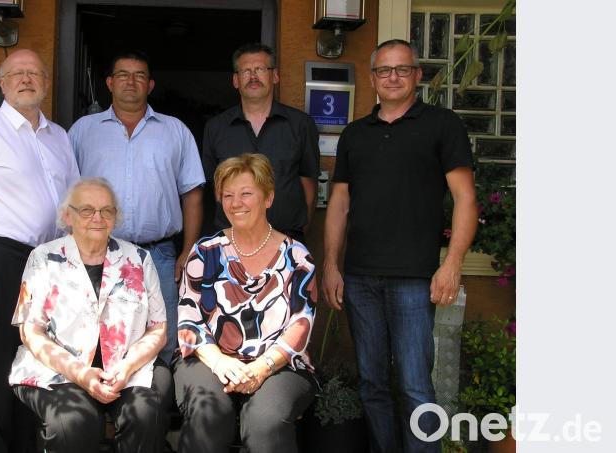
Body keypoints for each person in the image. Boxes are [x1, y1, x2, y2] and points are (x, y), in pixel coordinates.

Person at [322, 39, 477, 453]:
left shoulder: (442, 125)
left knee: (414, 385)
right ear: (372, 78)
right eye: (384, 70)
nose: (393, 77)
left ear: (417, 75)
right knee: (371, 383)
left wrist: (453, 263)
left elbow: (465, 198)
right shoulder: (355, 133)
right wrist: (331, 264)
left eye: (402, 69)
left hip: (414, 278)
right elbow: (339, 202)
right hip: (359, 277)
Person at [0, 49, 80, 452]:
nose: (26, 79)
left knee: (42, 357)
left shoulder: (59, 136)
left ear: (45, 81)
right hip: (6, 259)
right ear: (2, 83)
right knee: (2, 361)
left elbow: (73, 201)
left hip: (53, 262)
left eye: (33, 73)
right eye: (16, 74)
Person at [8, 178, 168, 453]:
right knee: (73, 424)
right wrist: (80, 373)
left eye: (107, 210)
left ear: (115, 217)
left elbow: (158, 328)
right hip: (58, 370)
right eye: (87, 210)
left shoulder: (139, 259)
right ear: (67, 216)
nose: (98, 217)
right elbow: (30, 331)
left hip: (127, 367)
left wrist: (127, 367)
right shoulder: (43, 258)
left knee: (145, 415)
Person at [68, 50, 205, 365]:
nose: (131, 81)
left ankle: (157, 406)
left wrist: (188, 250)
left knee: (163, 337)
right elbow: (65, 192)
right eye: (123, 75)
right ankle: (102, 407)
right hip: (96, 251)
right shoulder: (83, 131)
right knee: (95, 336)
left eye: (139, 75)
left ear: (150, 84)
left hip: (159, 255)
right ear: (109, 83)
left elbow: (193, 194)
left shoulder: (176, 132)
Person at [174, 153, 318, 453]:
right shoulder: (204, 252)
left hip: (279, 363)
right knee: (208, 414)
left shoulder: (297, 257)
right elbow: (189, 320)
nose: (236, 202)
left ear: (268, 197)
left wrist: (262, 368)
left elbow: (300, 325)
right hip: (209, 358)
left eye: (246, 193)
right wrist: (220, 361)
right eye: (228, 195)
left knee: (265, 420)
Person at [202, 43, 320, 244]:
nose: (253, 76)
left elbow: (308, 183)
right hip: (231, 243)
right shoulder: (216, 127)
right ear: (235, 80)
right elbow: (215, 188)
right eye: (246, 71)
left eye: (260, 69)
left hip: (287, 240)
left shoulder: (300, 124)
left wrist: (299, 232)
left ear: (275, 76)